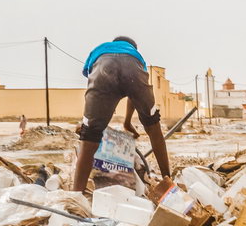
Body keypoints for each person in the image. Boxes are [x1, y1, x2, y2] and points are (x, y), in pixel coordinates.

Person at [70, 36, 171, 192]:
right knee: (153, 127)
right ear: (133, 47)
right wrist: (128, 122)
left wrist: (95, 118)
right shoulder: (135, 55)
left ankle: (76, 195)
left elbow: (92, 80)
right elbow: (135, 93)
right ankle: (168, 182)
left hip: (102, 70)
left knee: (89, 138)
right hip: (133, 71)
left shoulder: (100, 49)